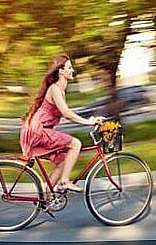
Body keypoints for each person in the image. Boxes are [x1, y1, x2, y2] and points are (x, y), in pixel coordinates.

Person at [20, 54, 103, 192]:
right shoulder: (55, 89)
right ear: (61, 71)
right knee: (76, 143)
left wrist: (90, 120)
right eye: (69, 68)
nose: (72, 70)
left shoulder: (59, 91)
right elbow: (66, 113)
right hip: (38, 131)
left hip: (40, 131)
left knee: (63, 161)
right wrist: (88, 122)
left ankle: (46, 198)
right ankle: (64, 182)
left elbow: (68, 113)